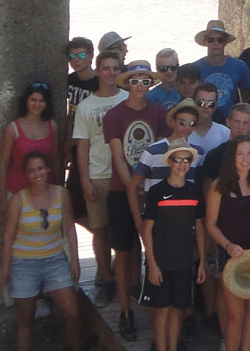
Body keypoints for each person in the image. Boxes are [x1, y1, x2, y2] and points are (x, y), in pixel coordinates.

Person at [105, 61, 170, 339]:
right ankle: (125, 311)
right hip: (121, 191)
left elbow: (163, 152)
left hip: (154, 191)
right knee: (122, 253)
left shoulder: (161, 113)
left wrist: (148, 186)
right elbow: (118, 156)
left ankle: (155, 311)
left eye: (145, 81)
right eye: (135, 81)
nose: (140, 86)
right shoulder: (114, 116)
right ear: (127, 83)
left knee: (157, 251)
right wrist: (134, 185)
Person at [0, 151, 83, 351]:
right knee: (25, 320)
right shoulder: (18, 200)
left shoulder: (62, 194)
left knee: (72, 313)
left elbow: (69, 227)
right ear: (26, 174)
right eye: (32, 171)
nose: (37, 174)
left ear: (48, 169)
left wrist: (75, 260)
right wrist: (5, 268)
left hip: (55, 259)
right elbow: (8, 237)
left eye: (41, 168)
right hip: (24, 262)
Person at [208, 135, 250, 351]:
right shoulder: (218, 186)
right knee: (235, 314)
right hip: (230, 253)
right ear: (232, 157)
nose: (245, 159)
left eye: (249, 154)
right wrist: (227, 245)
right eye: (240, 154)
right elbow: (211, 224)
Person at [140, 144, 208, 351]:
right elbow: (147, 230)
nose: (182, 164)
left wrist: (202, 262)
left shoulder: (195, 191)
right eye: (178, 159)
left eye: (186, 160)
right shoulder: (156, 192)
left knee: (179, 309)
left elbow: (200, 227)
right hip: (160, 262)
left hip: (184, 262)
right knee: (162, 309)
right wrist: (152, 264)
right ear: (169, 162)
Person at [72, 51, 128, 304]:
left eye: (115, 68)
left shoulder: (128, 98)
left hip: (124, 174)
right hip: (98, 173)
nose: (111, 73)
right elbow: (82, 146)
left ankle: (128, 279)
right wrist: (85, 180)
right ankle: (106, 280)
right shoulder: (86, 106)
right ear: (97, 71)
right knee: (100, 230)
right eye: (106, 68)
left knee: (126, 230)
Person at [0, 80, 62, 207]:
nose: (37, 104)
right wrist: (2, 196)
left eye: (42, 101)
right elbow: (3, 163)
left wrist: (60, 187)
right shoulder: (12, 129)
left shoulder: (52, 126)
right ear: (26, 101)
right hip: (17, 191)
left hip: (46, 192)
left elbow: (55, 159)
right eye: (33, 100)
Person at [194, 19, 250, 120]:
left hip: (231, 121)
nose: (215, 43)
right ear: (205, 42)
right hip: (203, 120)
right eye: (211, 40)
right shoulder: (196, 68)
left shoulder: (240, 67)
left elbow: (245, 98)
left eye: (220, 40)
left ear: (225, 42)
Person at [189, 81, 232, 159]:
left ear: (216, 105)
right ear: (194, 103)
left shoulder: (225, 134)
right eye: (201, 103)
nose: (206, 107)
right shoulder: (184, 131)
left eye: (210, 104)